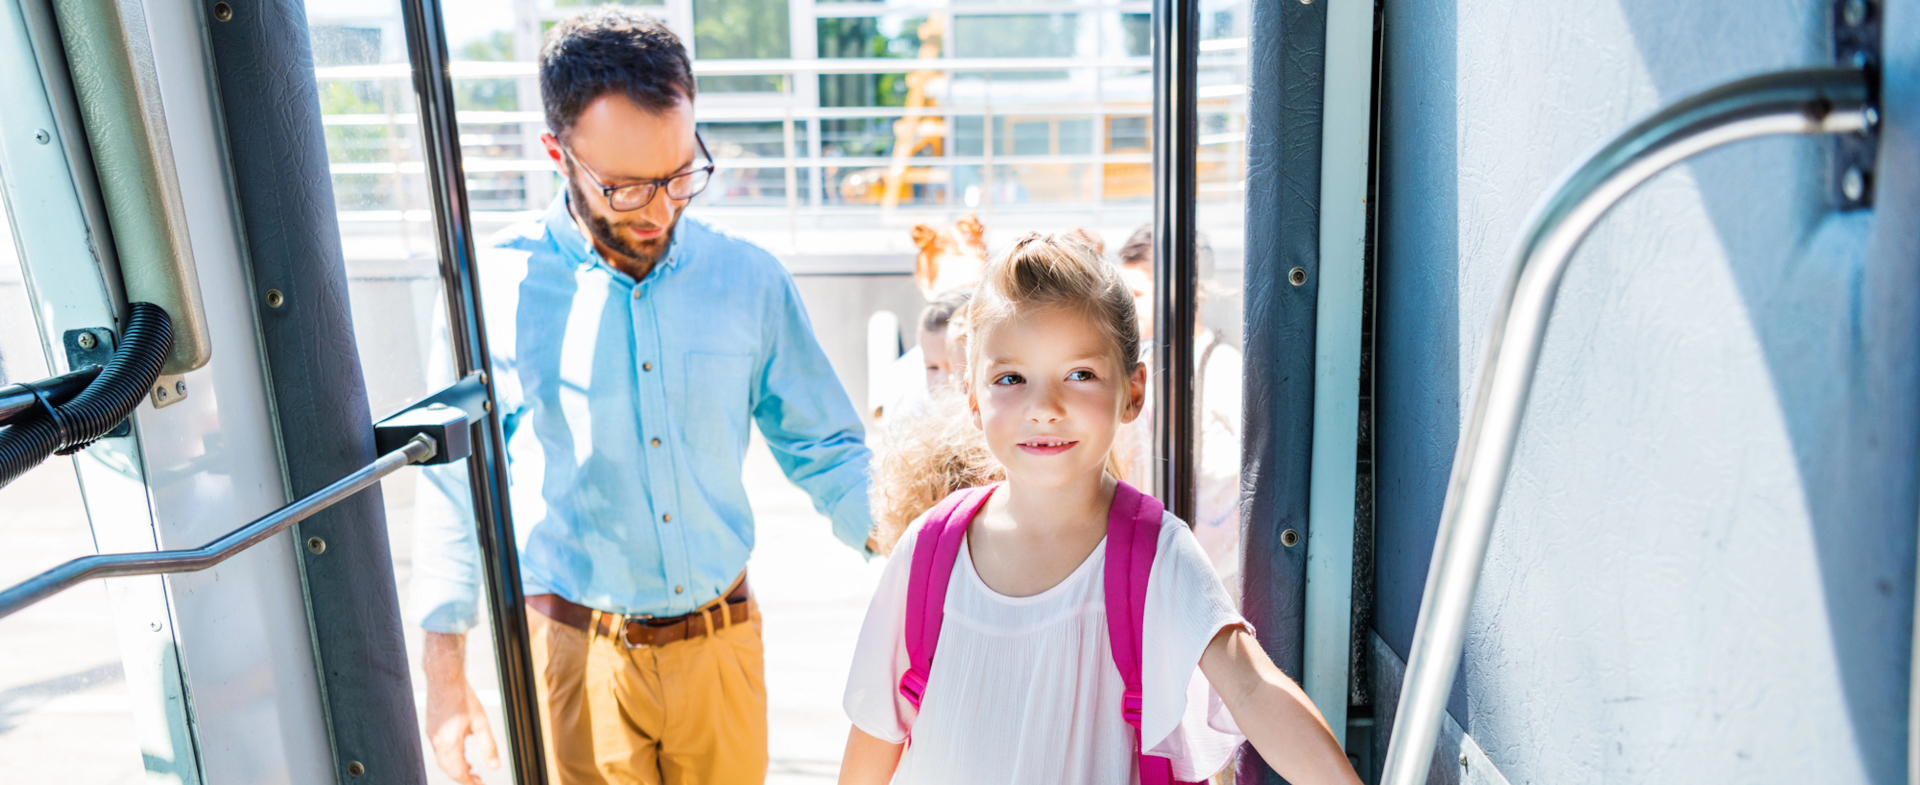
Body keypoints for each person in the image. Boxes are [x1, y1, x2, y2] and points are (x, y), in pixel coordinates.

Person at [409, 10, 875, 785]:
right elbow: (452, 487)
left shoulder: (748, 280)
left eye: (680, 173)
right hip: (572, 656)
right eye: (625, 189)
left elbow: (825, 447)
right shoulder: (490, 288)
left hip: (722, 651)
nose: (660, 210)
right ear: (558, 154)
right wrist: (445, 675)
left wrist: (926, 542)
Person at [836, 234, 1362, 785]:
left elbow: (1252, 687)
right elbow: (877, 732)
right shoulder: (930, 550)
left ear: (1133, 391)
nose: (1044, 408)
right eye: (1011, 378)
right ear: (973, 398)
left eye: (1080, 374)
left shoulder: (1155, 553)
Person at [1110, 224, 1246, 601]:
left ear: (1183, 291)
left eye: (1136, 294)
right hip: (1159, 571)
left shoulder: (1224, 369)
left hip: (1214, 582)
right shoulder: (1146, 366)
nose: (1127, 307)